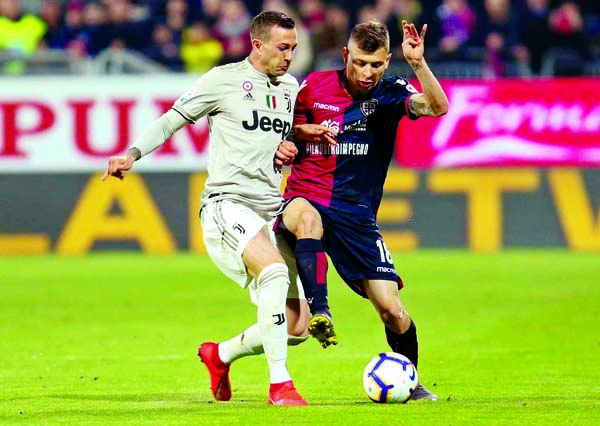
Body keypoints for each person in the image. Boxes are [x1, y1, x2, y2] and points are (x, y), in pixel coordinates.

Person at [102, 11, 310, 406]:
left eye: (294, 48)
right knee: (274, 271)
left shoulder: (289, 87)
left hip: (270, 210)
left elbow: (281, 140)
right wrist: (132, 154)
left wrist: (290, 146)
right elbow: (171, 120)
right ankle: (280, 386)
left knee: (296, 327)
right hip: (226, 204)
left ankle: (221, 355)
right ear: (258, 44)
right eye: (283, 48)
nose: (289, 56)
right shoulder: (222, 80)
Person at [274, 20, 449, 400]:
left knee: (392, 311)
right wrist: (288, 142)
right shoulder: (312, 88)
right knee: (306, 219)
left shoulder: (390, 92)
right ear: (345, 56)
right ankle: (321, 310)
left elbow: (437, 107)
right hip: (307, 194)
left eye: (376, 64)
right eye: (359, 63)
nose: (367, 72)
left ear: (387, 61)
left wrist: (418, 64)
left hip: (356, 215)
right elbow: (280, 130)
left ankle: (411, 381)